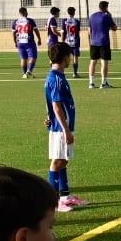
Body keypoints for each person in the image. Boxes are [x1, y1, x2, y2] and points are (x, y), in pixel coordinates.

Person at [44, 42, 88, 212]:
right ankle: (52, 201)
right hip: (60, 128)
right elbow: (56, 105)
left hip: (61, 125)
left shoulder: (59, 76)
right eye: (69, 56)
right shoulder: (55, 78)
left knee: (64, 160)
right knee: (57, 161)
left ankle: (65, 196)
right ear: (65, 58)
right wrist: (66, 130)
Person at [88, 1, 117, 89]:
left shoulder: (92, 16)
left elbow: (89, 31)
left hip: (94, 42)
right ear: (106, 7)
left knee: (93, 62)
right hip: (103, 42)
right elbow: (114, 28)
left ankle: (91, 83)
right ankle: (103, 83)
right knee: (104, 62)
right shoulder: (106, 16)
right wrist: (109, 15)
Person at [12, 8, 41, 79]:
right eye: (26, 12)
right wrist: (39, 39)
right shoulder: (30, 21)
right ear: (25, 12)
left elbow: (13, 33)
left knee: (23, 58)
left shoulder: (16, 21)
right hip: (29, 41)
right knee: (33, 56)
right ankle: (29, 70)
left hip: (20, 42)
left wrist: (15, 42)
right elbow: (36, 30)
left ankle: (25, 74)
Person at [61, 8, 82, 79]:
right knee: (75, 57)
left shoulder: (64, 21)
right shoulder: (77, 21)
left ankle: (62, 72)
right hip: (75, 41)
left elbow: (63, 32)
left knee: (65, 57)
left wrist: (62, 41)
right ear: (74, 13)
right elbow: (77, 31)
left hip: (67, 42)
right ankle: (75, 73)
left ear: (68, 12)